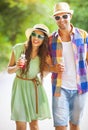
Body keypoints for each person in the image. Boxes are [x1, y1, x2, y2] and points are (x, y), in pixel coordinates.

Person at [47, 2, 88, 130]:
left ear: (70, 16)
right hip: (60, 88)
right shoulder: (50, 40)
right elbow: (43, 64)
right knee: (60, 126)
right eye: (57, 17)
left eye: (64, 16)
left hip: (80, 87)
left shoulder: (83, 35)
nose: (61, 20)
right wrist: (52, 68)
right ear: (55, 19)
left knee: (75, 125)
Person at [7, 24, 51, 130]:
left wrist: (48, 68)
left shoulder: (44, 55)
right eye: (34, 35)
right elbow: (9, 70)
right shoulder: (18, 49)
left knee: (34, 125)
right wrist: (17, 66)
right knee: (20, 125)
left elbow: (46, 72)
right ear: (30, 36)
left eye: (40, 36)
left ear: (44, 39)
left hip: (34, 88)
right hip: (19, 88)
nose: (36, 38)